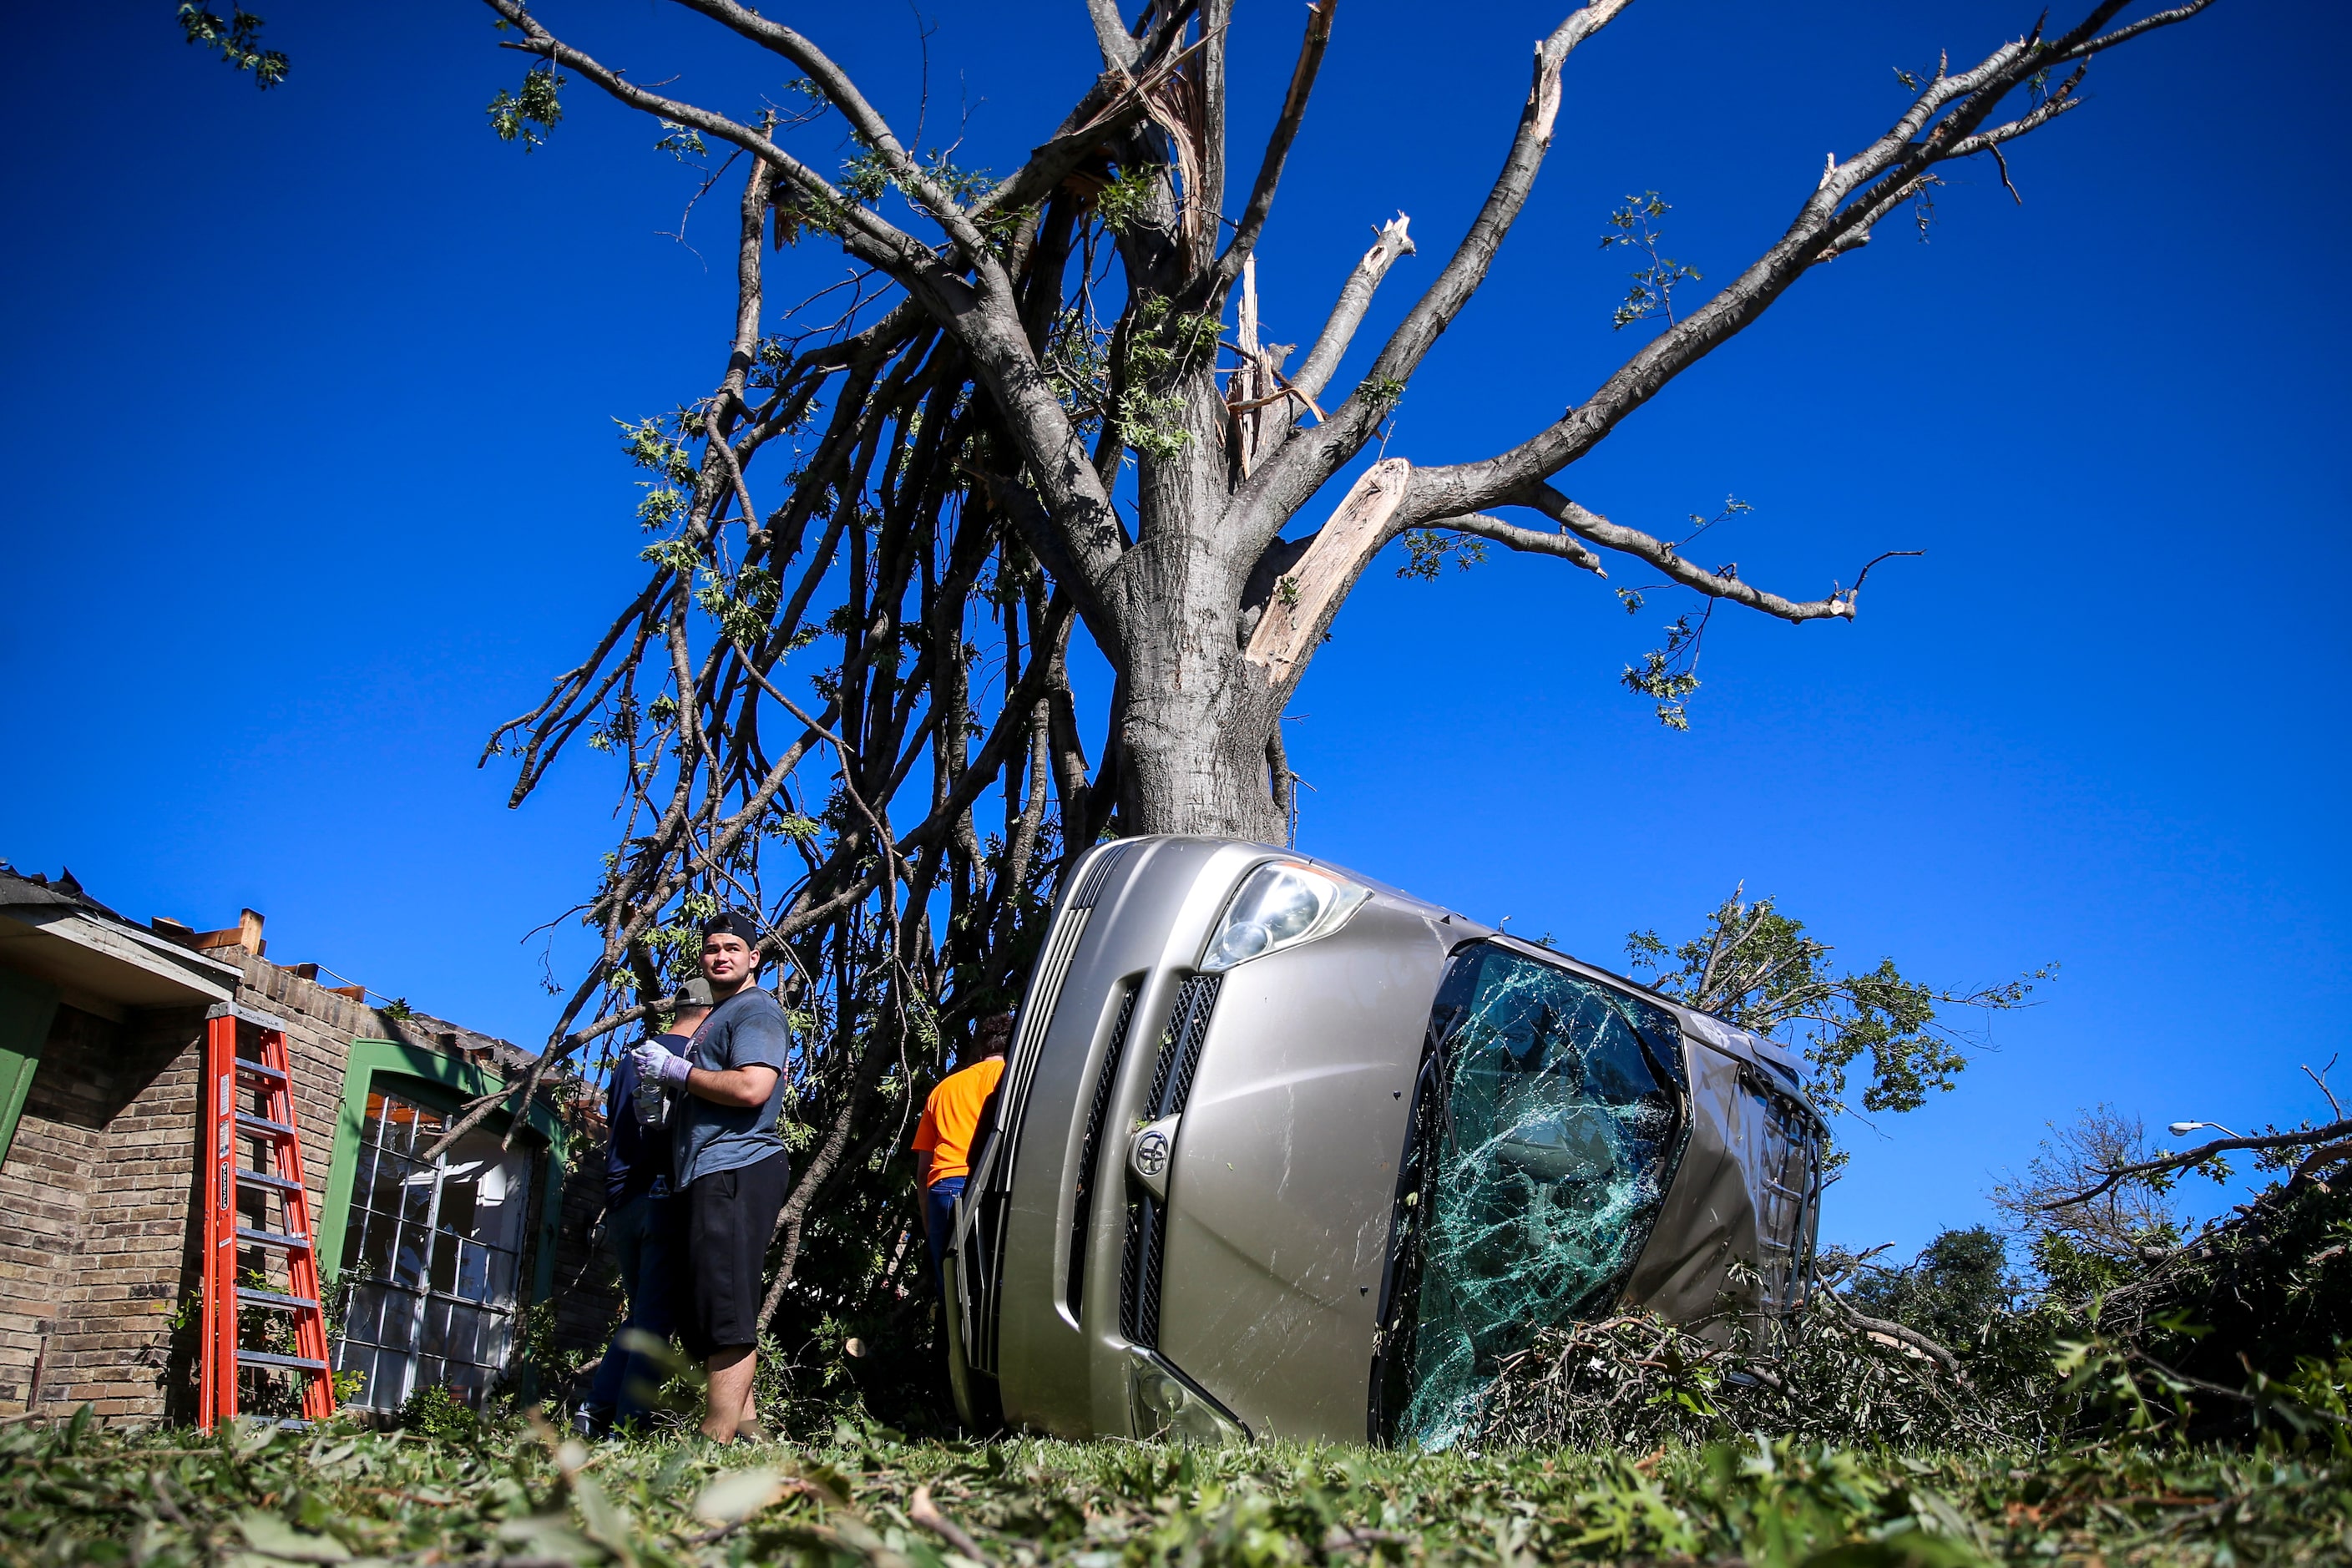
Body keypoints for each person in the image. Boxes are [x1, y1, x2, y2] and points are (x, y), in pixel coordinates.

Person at [630, 913, 792, 1443]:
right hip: (707, 1168)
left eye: (732, 948)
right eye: (711, 948)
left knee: (724, 1308)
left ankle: (712, 1441)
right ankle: (752, 1440)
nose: (720, 956)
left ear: (754, 959)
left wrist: (680, 1072)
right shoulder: (718, 1019)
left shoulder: (756, 1010)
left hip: (738, 1165)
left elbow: (752, 1088)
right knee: (710, 1307)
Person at [575, 978, 711, 1439]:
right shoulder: (688, 1061)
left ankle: (594, 1410)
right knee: (655, 1321)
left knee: (640, 1315)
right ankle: (627, 1427)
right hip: (661, 1200)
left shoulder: (630, 1059)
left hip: (621, 1202)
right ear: (708, 1016)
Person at [911, 1014, 1013, 1303]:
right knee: (995, 1294)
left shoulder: (944, 1088)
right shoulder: (1014, 1081)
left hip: (945, 1187)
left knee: (955, 1298)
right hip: (994, 1184)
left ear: (980, 1049)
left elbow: (922, 1171)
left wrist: (931, 1229)